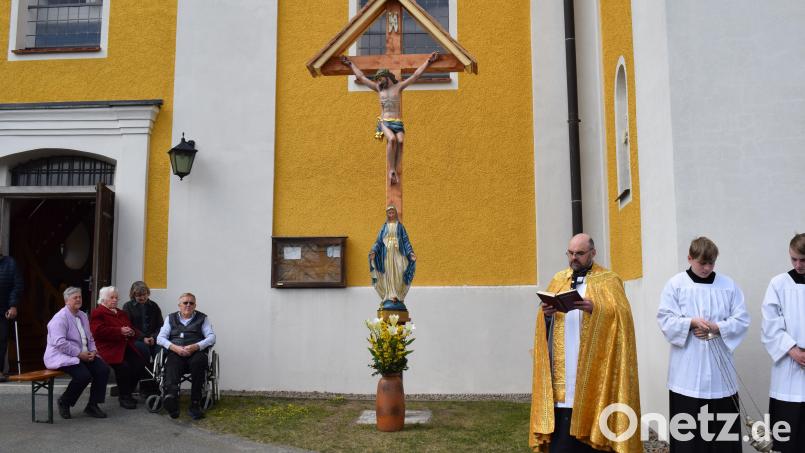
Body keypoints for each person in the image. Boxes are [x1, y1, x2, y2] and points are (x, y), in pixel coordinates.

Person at [529, 234, 641, 453]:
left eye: (579, 253)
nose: (573, 258)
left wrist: (596, 310)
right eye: (570, 253)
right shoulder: (559, 279)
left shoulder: (609, 280)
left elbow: (623, 317)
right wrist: (546, 314)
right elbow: (543, 318)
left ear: (593, 253)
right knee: (562, 442)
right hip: (561, 372)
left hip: (595, 372)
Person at [657, 237, 749, 453]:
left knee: (723, 438)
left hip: (720, 376)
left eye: (712, 263)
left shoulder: (728, 285)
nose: (707, 268)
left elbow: (742, 319)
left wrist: (717, 327)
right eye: (702, 263)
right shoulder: (676, 284)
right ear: (690, 258)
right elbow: (665, 319)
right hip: (687, 374)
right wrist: (690, 323)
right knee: (688, 437)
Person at [340, 51, 439, 185]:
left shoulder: (398, 87)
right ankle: (391, 169)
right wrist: (351, 64)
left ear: (386, 77)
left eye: (380, 79)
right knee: (391, 139)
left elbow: (415, 76)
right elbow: (362, 77)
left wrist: (428, 62)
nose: (379, 82)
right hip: (385, 122)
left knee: (401, 141)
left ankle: (396, 168)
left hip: (397, 121)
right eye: (378, 80)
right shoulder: (379, 89)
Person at [761, 233, 805, 453]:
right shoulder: (778, 284)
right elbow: (770, 323)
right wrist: (792, 349)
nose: (798, 265)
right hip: (788, 368)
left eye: (803, 260)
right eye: (793, 259)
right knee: (786, 439)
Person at [44, 287, 110, 419]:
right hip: (62, 355)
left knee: (103, 369)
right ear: (67, 301)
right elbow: (60, 343)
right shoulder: (59, 318)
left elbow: (90, 337)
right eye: (75, 297)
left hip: (84, 354)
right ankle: (65, 401)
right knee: (83, 376)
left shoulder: (83, 315)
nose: (79, 299)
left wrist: (93, 351)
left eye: (80, 297)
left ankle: (92, 405)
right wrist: (79, 354)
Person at [156, 292, 215, 420]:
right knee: (171, 362)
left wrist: (196, 346)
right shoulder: (170, 318)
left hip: (196, 353)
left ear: (195, 305)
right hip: (176, 352)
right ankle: (172, 400)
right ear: (179, 305)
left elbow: (211, 337)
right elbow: (160, 338)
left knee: (199, 362)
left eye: (191, 303)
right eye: (185, 303)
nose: (188, 305)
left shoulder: (202, 318)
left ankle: (195, 403)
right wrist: (174, 347)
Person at [90, 286, 146, 409]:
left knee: (139, 364)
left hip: (124, 346)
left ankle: (128, 392)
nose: (115, 300)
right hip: (108, 349)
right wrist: (119, 331)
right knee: (124, 367)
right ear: (103, 299)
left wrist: (133, 333)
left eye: (116, 298)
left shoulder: (121, 313)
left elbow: (130, 327)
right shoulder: (98, 312)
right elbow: (98, 331)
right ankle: (124, 397)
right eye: (112, 298)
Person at [369, 205, 416, 308]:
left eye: (392, 212)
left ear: (395, 214)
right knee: (389, 274)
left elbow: (405, 240)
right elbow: (379, 241)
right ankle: (389, 295)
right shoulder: (384, 227)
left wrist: (410, 252)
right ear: (387, 215)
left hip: (398, 253)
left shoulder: (400, 227)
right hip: (387, 255)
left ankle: (398, 295)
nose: (391, 214)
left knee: (399, 272)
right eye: (389, 213)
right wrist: (374, 251)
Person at [122, 281, 163, 362]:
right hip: (136, 338)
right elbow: (128, 325)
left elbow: (160, 325)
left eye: (144, 294)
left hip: (153, 338)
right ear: (133, 295)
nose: (142, 297)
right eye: (139, 295)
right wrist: (142, 338)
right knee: (143, 350)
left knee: (161, 350)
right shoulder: (127, 306)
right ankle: (144, 373)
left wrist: (153, 337)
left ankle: (157, 373)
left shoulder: (154, 306)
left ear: (148, 293)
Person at [0, 252, 23, 382]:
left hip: (3, 309)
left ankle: (0, 371)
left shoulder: (10, 263)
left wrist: (13, 305)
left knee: (1, 340)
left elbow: (17, 285)